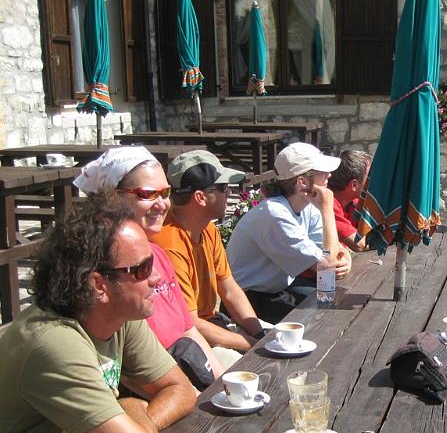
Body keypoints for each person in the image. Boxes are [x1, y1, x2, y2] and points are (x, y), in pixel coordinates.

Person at [0, 192, 197, 433]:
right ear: (98, 284)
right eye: (142, 268)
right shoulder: (53, 342)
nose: (157, 277)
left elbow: (182, 389)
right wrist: (129, 410)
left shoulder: (120, 315)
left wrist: (131, 411)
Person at [74, 146, 228, 387]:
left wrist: (222, 386)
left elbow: (188, 329)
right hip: (155, 384)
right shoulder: (102, 271)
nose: (163, 204)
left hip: (184, 365)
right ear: (113, 198)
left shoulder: (158, 254)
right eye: (147, 194)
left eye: (165, 192)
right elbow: (126, 368)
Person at [152, 150, 265, 353]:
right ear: (200, 197)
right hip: (188, 340)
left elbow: (229, 289)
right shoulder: (168, 243)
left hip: (211, 327)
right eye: (223, 187)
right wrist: (253, 345)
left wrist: (260, 335)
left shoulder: (208, 229)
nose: (229, 192)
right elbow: (190, 323)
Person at [226, 142, 352, 324]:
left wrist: (345, 257)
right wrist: (327, 208)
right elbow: (327, 269)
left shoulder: (307, 206)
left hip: (278, 290)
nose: (329, 175)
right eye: (322, 171)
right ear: (302, 181)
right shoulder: (275, 213)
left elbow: (331, 260)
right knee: (326, 318)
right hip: (249, 301)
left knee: (335, 305)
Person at [327, 149, 372, 251]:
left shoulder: (354, 202)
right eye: (369, 177)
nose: (373, 181)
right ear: (354, 185)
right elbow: (359, 244)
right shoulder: (328, 203)